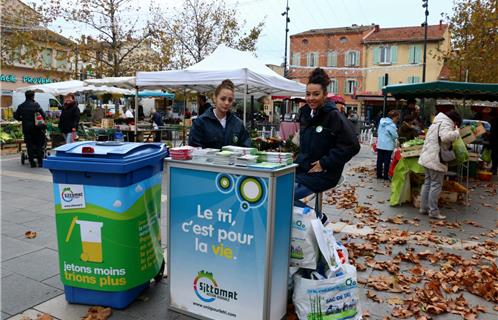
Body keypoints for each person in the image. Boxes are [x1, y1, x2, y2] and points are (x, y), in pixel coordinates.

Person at [294, 68, 360, 223]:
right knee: (275, 191)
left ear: (324, 95)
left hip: (325, 173)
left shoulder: (333, 115)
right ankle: (306, 225)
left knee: (283, 196)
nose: (311, 98)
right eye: (308, 94)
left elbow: (352, 145)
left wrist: (325, 163)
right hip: (304, 169)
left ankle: (319, 219)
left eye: (316, 94)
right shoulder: (305, 113)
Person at [418, 110, 462, 220]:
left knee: (427, 183)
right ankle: (433, 211)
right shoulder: (446, 123)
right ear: (455, 121)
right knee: (435, 185)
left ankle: (424, 208)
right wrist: (457, 132)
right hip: (436, 159)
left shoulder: (436, 121)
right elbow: (445, 137)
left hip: (427, 156)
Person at [188, 79, 251, 149]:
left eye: (230, 100)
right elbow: (194, 150)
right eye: (223, 99)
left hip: (232, 160)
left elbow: (246, 148)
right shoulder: (200, 123)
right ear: (215, 98)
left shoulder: (238, 124)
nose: (226, 103)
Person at [13, 90, 46, 167]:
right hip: (37, 128)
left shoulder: (21, 106)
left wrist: (23, 119)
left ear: (26, 96)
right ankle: (40, 162)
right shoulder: (36, 105)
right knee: (39, 145)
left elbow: (16, 116)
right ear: (33, 96)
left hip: (26, 129)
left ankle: (32, 163)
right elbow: (43, 115)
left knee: (29, 145)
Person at [376, 110, 400, 180]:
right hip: (388, 145)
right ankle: (385, 175)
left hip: (380, 144)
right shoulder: (391, 125)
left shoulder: (381, 122)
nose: (397, 120)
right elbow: (395, 135)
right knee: (387, 161)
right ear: (393, 117)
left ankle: (379, 174)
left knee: (379, 160)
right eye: (397, 118)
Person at [489, 110, 498, 175]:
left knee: (494, 155)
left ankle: (494, 169)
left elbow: (492, 132)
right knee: (495, 156)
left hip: (495, 141)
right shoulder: (494, 120)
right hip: (495, 141)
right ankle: (494, 168)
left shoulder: (494, 121)